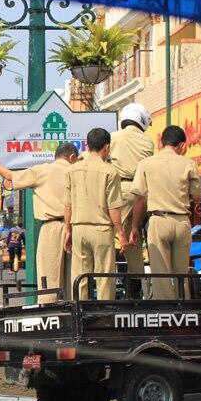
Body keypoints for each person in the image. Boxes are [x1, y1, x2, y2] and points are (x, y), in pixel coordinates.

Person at [0, 143, 78, 302]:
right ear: (72, 157)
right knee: (74, 275)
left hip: (52, 226)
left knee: (49, 273)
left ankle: (50, 311)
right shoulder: (77, 171)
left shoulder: (43, 170)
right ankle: (73, 308)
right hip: (76, 227)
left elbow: (11, 176)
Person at [129, 125, 201, 299]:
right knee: (181, 273)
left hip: (158, 220)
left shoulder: (146, 164)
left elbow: (139, 198)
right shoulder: (189, 164)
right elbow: (197, 195)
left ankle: (165, 309)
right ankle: (182, 309)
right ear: (182, 145)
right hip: (182, 221)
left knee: (161, 275)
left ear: (161, 142)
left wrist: (134, 226)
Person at [64, 128, 126, 300]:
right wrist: (121, 233)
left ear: (87, 145)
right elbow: (114, 207)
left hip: (78, 228)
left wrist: (67, 230)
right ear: (106, 147)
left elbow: (67, 205)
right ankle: (104, 315)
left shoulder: (71, 170)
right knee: (104, 278)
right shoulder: (110, 171)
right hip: (102, 229)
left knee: (80, 277)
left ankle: (80, 313)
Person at [109, 103, 154, 298]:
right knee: (135, 240)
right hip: (140, 193)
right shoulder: (148, 141)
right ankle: (135, 289)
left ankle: (107, 284)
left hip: (116, 189)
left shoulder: (113, 137)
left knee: (111, 238)